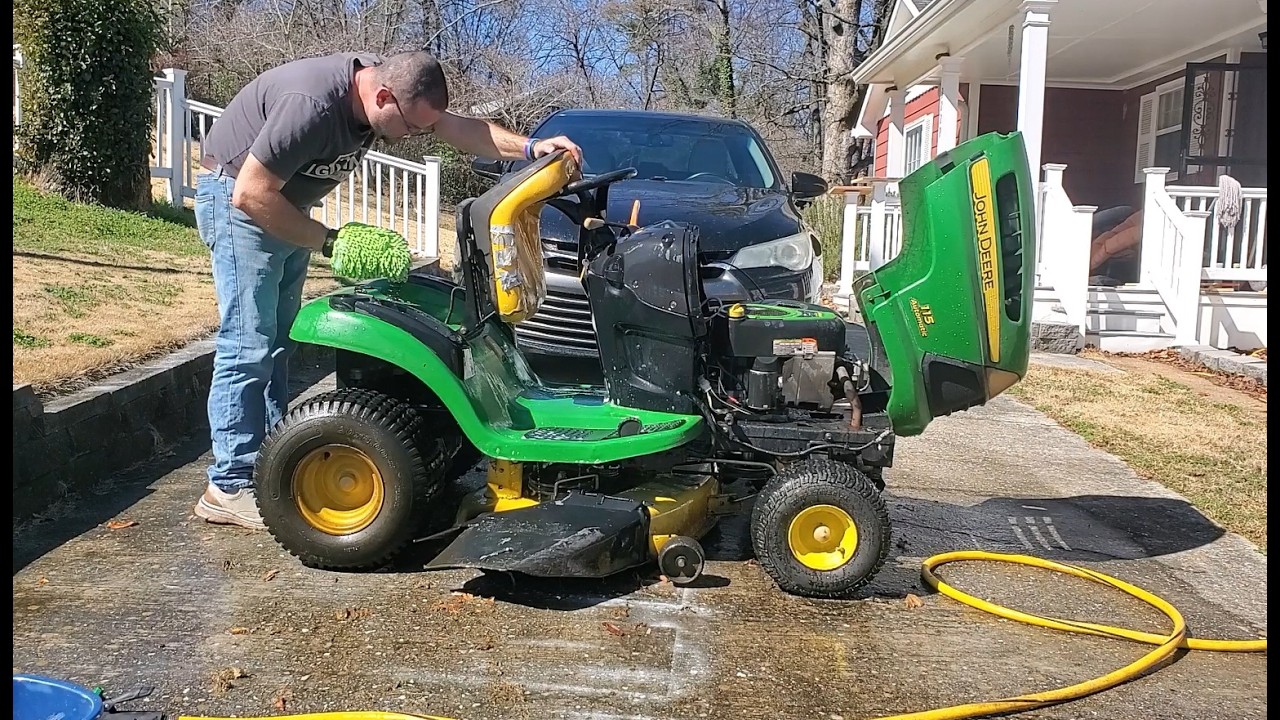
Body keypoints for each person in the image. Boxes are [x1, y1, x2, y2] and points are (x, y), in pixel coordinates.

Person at [191, 50, 582, 530]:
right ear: (380, 96)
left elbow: (457, 128)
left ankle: (265, 462)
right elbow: (249, 193)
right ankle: (228, 486)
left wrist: (530, 149)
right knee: (247, 344)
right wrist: (333, 242)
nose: (414, 137)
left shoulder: (394, 88)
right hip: (242, 205)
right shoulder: (311, 104)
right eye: (411, 127)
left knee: (275, 342)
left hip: (286, 205)